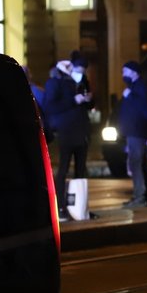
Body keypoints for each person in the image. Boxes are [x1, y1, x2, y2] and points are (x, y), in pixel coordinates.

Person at [42, 56, 93, 219]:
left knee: (80, 170)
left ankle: (80, 206)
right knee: (62, 169)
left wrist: (87, 100)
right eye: (72, 69)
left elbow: (85, 104)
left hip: (80, 131)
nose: (78, 72)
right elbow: (50, 106)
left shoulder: (78, 82)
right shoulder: (54, 83)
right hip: (65, 132)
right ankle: (61, 207)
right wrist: (73, 100)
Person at [119, 60, 147, 208]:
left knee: (136, 163)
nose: (123, 74)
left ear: (134, 72)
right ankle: (143, 196)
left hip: (137, 131)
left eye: (125, 71)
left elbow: (143, 107)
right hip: (135, 131)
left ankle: (141, 196)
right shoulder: (134, 87)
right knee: (140, 163)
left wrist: (129, 96)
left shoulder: (140, 87)